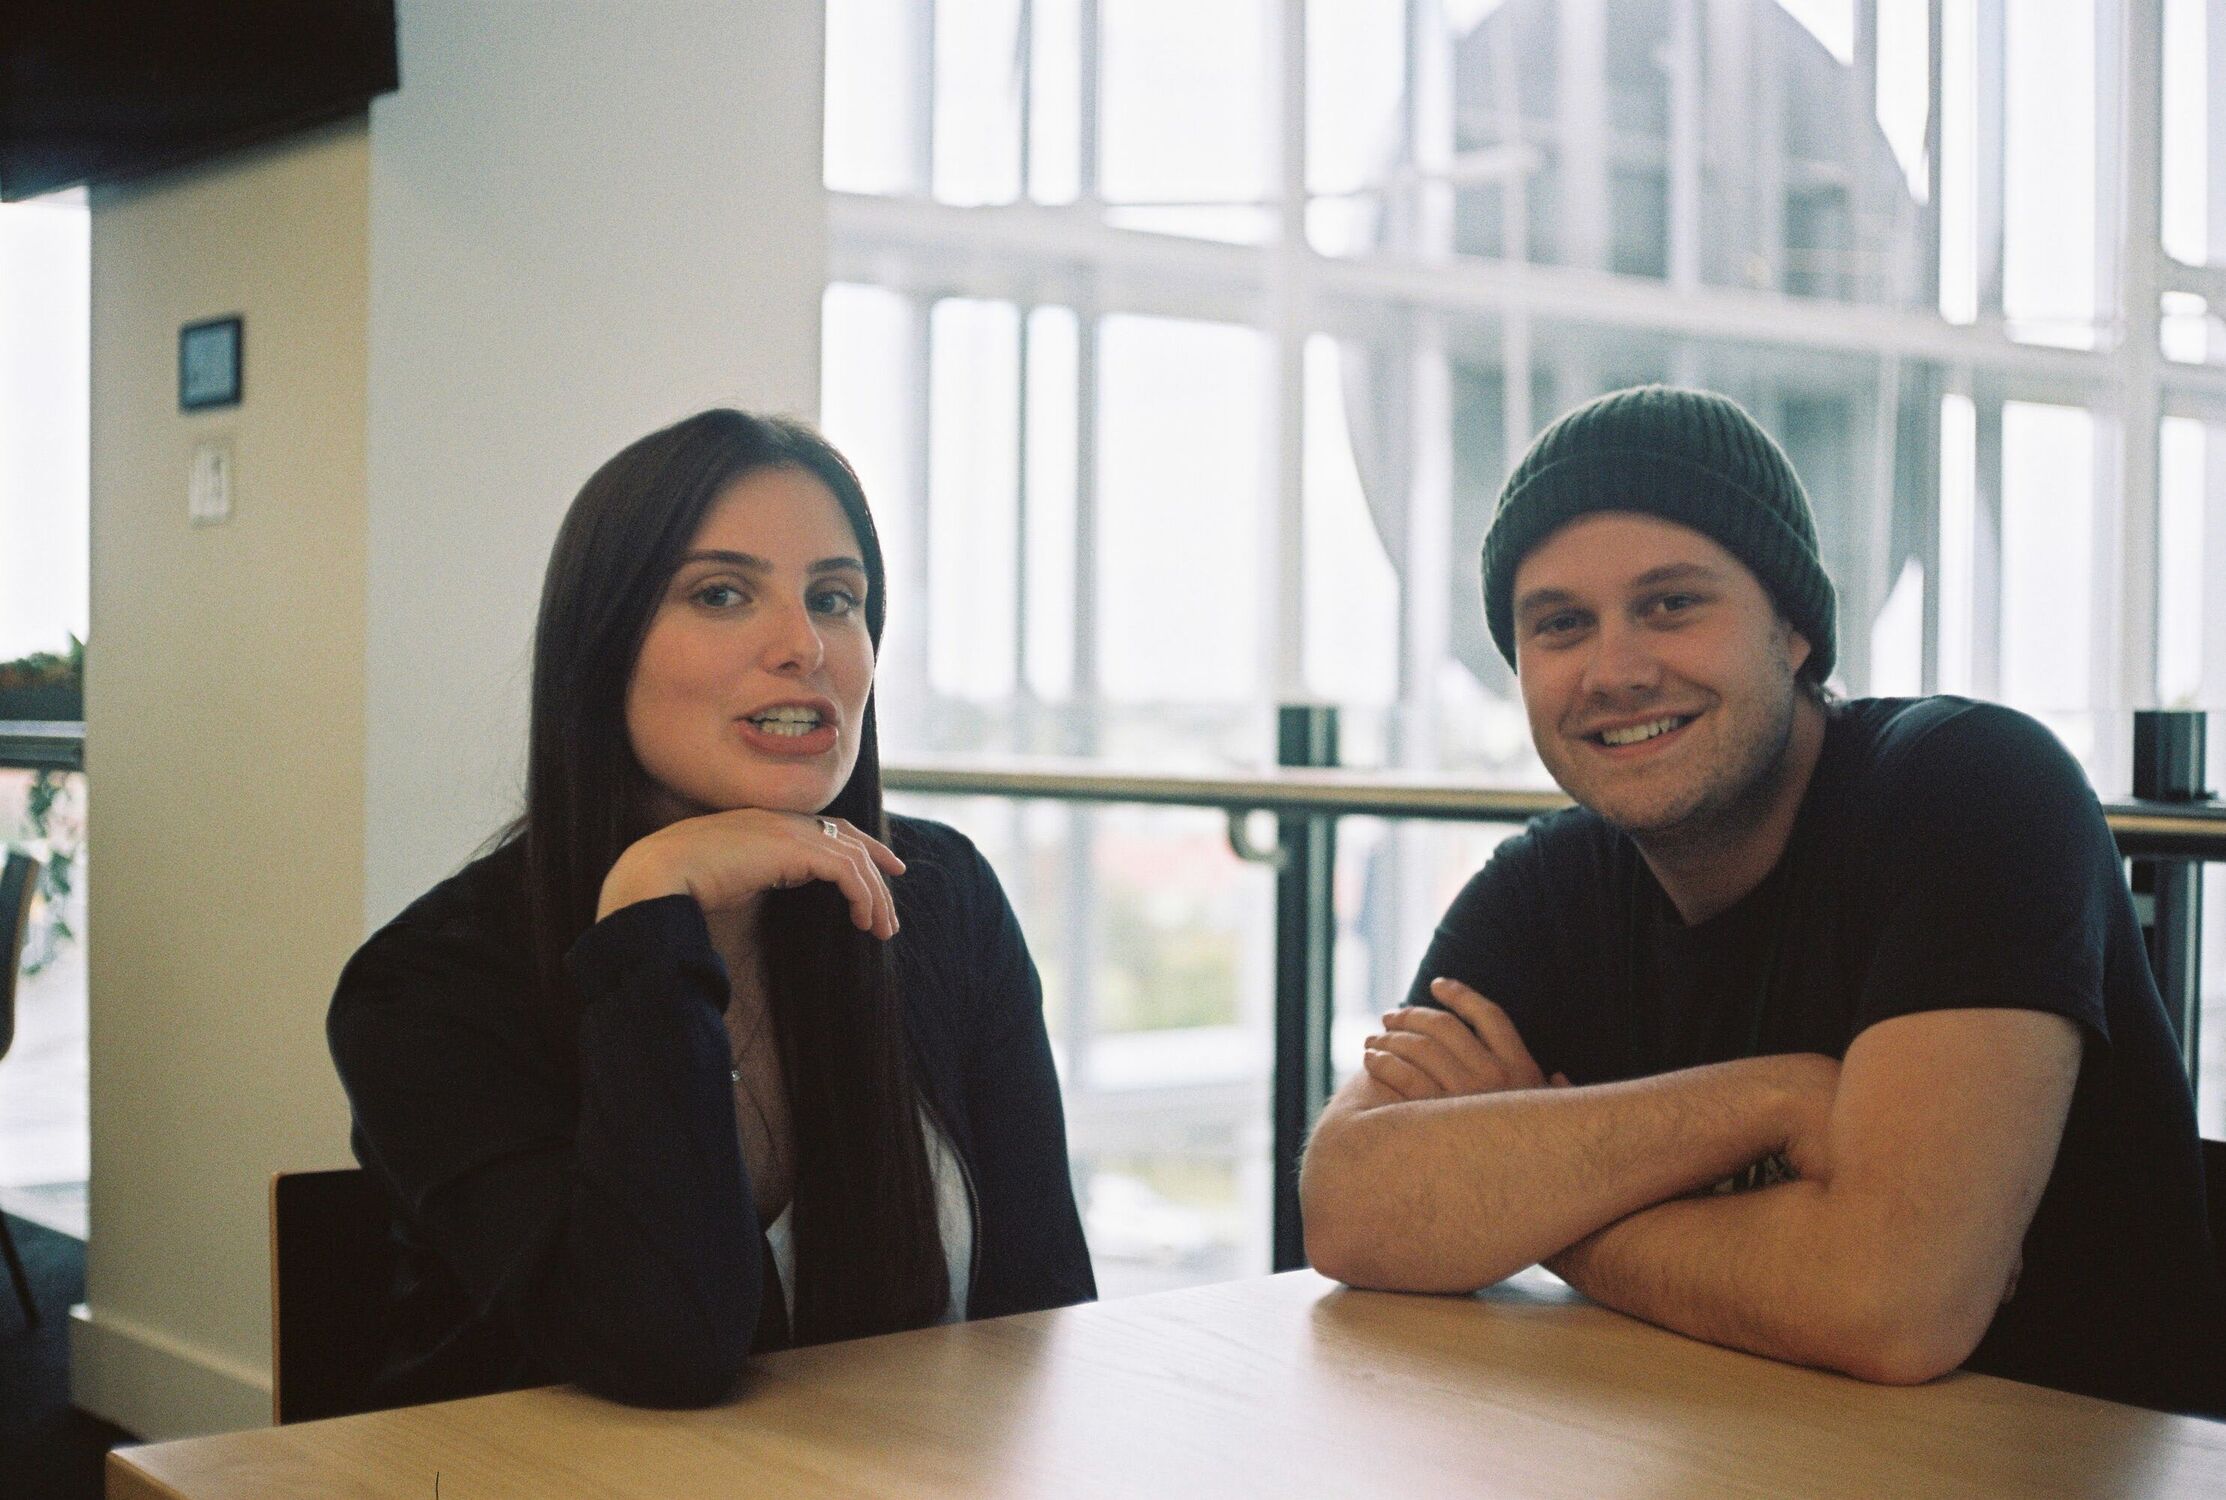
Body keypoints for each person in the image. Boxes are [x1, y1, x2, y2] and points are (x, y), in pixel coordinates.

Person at [1300, 385, 2226, 1416]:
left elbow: (1889, 1305)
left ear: (1792, 630)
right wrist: (1774, 1099)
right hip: (1740, 1450)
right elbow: (1350, 1206)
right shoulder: (1551, 881)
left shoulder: (1973, 793)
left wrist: (1536, 1186)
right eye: (1561, 624)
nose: (1615, 670)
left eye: (1671, 604)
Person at [328, 410, 1095, 1410]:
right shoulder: (425, 988)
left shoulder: (938, 899)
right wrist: (648, 916)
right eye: (722, 594)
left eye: (836, 598)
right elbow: (660, 1353)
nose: (803, 645)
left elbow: (1044, 1310)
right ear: (601, 650)